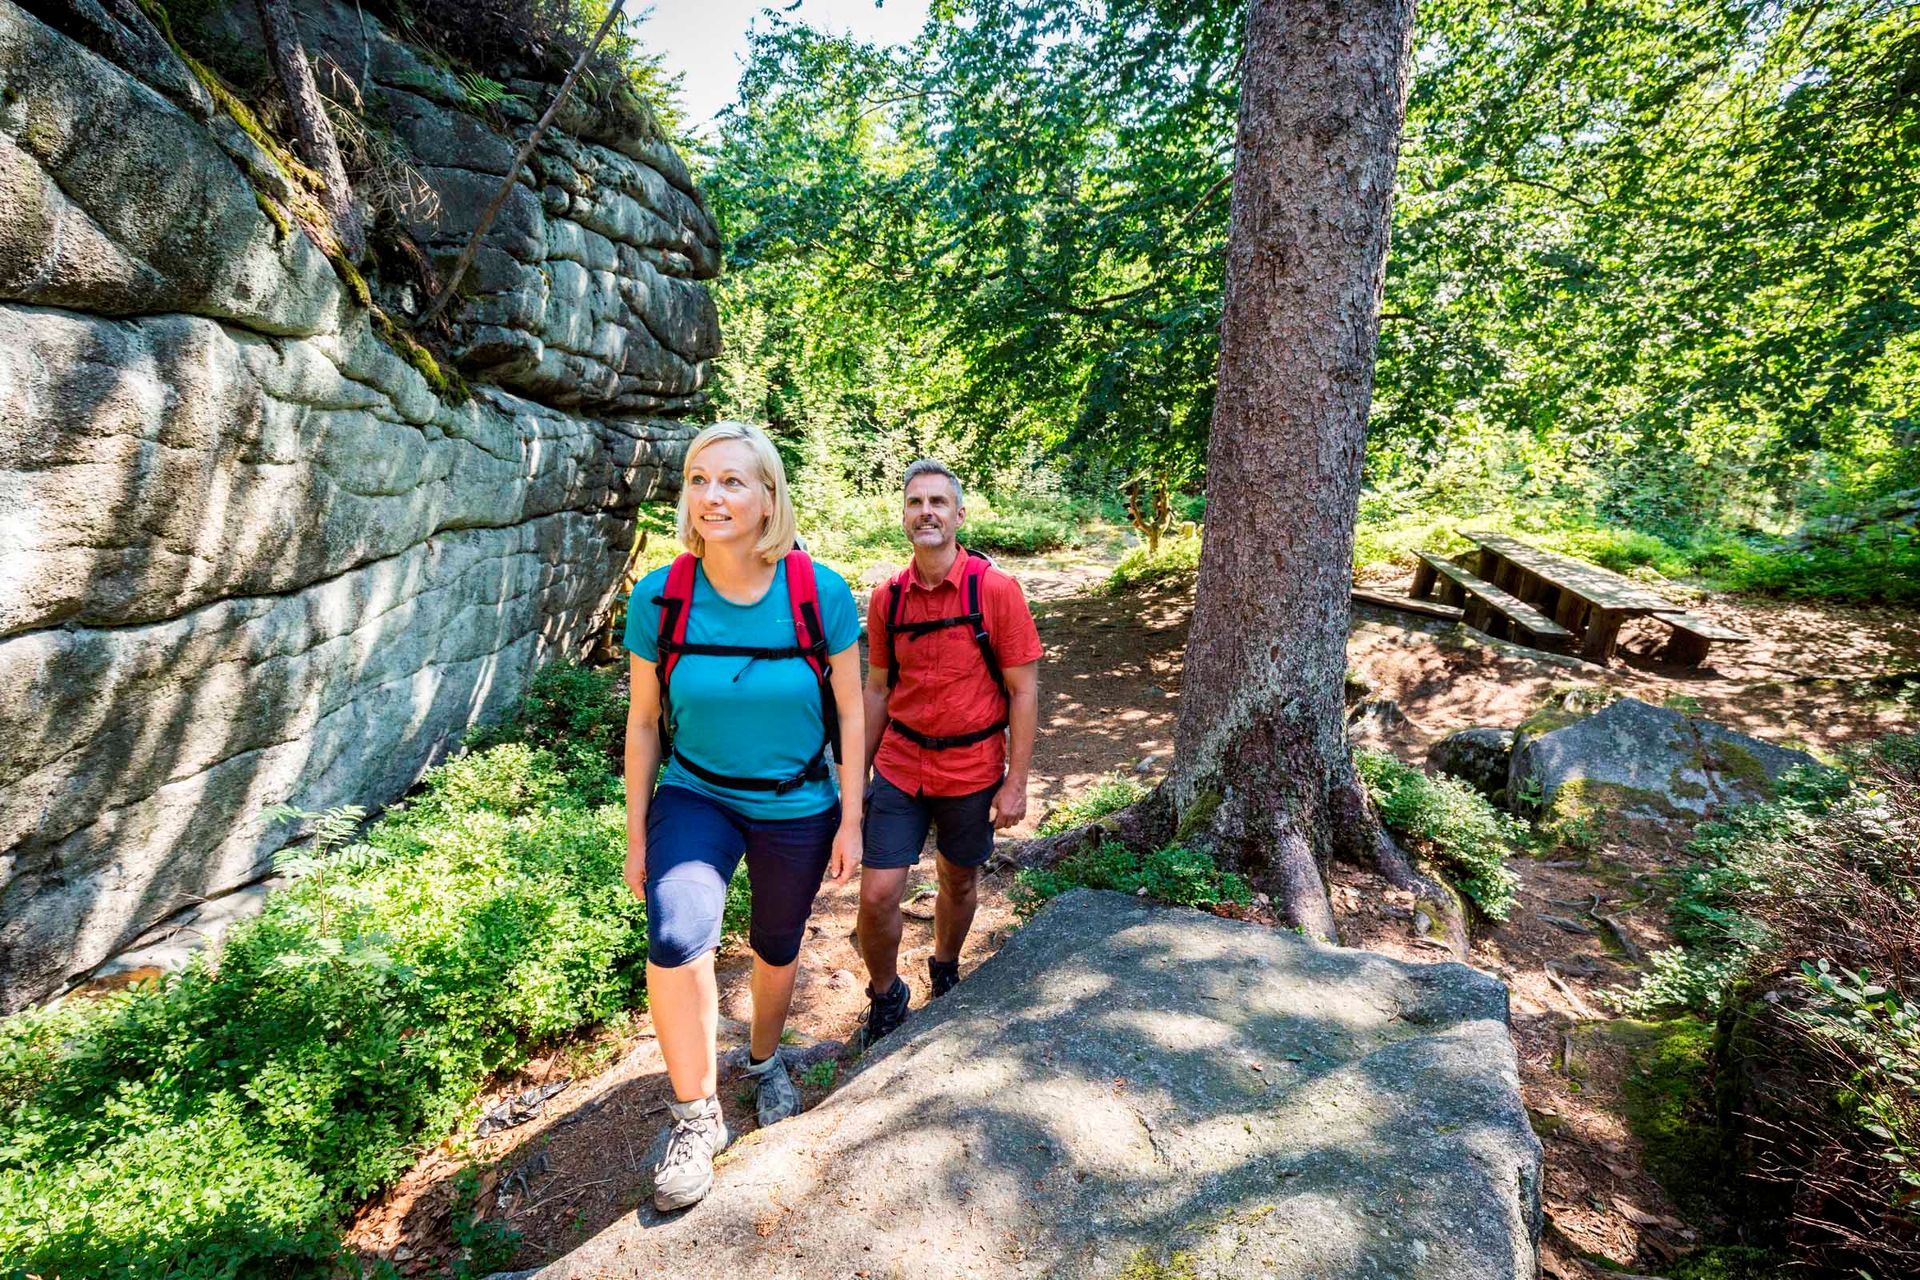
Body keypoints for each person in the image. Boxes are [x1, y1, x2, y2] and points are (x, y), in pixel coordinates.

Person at [622, 421, 865, 1212]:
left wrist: (853, 819)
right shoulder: (660, 596)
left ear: (769, 498)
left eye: (732, 481)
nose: (712, 496)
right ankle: (696, 1116)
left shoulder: (817, 590)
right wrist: (637, 839)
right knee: (673, 935)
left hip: (797, 801)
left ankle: (764, 1062)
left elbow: (854, 715)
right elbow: (645, 724)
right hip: (697, 794)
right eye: (699, 479)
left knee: (776, 945)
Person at [854, 459, 1041, 1048]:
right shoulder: (887, 598)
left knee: (958, 881)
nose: (926, 512)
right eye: (915, 503)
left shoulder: (997, 591)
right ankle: (886, 998)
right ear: (904, 516)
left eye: (938, 502)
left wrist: (1017, 782)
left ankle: (944, 966)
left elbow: (1024, 689)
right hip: (902, 766)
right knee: (878, 893)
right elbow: (878, 689)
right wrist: (853, 775)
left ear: (959, 515)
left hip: (972, 768)